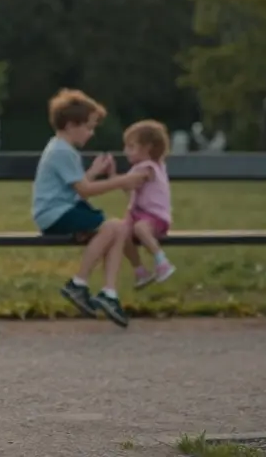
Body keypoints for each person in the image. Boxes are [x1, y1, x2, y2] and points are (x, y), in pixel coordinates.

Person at [31, 88, 150, 328]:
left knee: (118, 228)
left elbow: (74, 185)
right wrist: (121, 182)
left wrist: (94, 172)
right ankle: (78, 283)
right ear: (71, 125)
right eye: (88, 127)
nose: (91, 133)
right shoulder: (62, 151)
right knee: (114, 227)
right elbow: (84, 191)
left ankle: (109, 292)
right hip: (55, 214)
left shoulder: (62, 148)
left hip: (62, 210)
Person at [117, 120, 177, 289]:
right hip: (137, 215)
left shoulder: (148, 167)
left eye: (131, 146)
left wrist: (113, 177)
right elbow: (126, 186)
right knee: (120, 232)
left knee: (140, 229)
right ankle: (140, 271)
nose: (125, 151)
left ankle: (162, 262)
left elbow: (128, 184)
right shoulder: (139, 167)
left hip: (155, 217)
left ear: (147, 148)